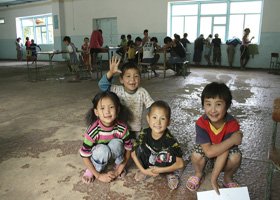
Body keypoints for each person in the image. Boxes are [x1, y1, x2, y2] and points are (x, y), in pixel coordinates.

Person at [186, 82, 243, 194]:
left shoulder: (232, 124)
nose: (213, 110)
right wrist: (232, 140)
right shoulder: (201, 123)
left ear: (227, 106)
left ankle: (227, 178)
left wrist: (214, 178)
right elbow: (209, 152)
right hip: (209, 151)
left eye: (218, 104)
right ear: (203, 105)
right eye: (208, 104)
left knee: (236, 157)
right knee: (195, 155)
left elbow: (224, 151)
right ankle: (198, 173)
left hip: (223, 154)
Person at [80, 91, 132, 184]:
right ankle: (93, 169)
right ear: (96, 112)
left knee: (117, 144)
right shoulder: (93, 131)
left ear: (118, 109)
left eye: (111, 107)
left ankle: (117, 164)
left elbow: (128, 149)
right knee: (103, 150)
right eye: (102, 108)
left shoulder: (122, 128)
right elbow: (84, 155)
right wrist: (98, 175)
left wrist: (119, 170)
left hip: (112, 153)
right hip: (99, 154)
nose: (107, 111)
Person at [131, 100, 184, 190]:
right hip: (148, 164)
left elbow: (180, 164)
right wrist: (144, 170)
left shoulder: (170, 140)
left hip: (164, 165)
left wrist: (160, 170)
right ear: (148, 119)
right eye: (154, 117)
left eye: (162, 119)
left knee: (166, 154)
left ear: (168, 122)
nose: (158, 123)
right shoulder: (144, 133)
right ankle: (146, 169)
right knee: (139, 148)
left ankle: (170, 174)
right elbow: (133, 153)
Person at [98, 56, 154, 139]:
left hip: (135, 130)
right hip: (118, 128)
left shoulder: (142, 92)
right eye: (128, 76)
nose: (132, 79)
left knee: (135, 148)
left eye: (136, 76)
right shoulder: (117, 90)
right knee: (119, 147)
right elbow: (102, 85)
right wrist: (111, 72)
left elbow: (152, 108)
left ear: (140, 79)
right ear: (121, 79)